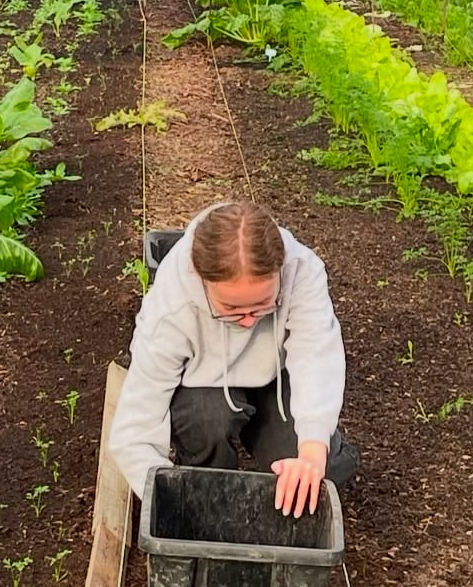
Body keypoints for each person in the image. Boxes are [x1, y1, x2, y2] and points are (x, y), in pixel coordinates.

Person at [109, 201, 358, 518]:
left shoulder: (303, 272)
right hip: (205, 384)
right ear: (200, 279)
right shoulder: (171, 308)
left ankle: (319, 449)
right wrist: (169, 497)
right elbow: (134, 430)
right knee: (208, 420)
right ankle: (206, 481)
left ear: (280, 271)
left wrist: (312, 449)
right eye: (231, 310)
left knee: (315, 477)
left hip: (275, 381)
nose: (248, 322)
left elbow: (316, 358)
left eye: (262, 306)